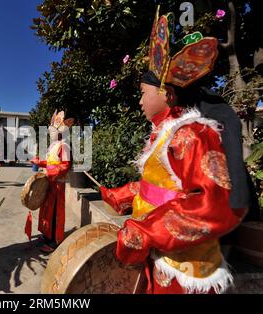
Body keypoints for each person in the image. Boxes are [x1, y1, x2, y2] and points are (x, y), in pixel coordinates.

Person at [100, 8, 251, 294]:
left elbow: (214, 204)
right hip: (160, 256)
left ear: (167, 94)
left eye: (144, 93)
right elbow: (160, 187)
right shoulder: (166, 133)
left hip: (184, 268)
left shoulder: (192, 133)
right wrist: (121, 195)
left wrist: (146, 231)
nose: (140, 101)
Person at [30, 111, 73, 253]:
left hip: (57, 185)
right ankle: (47, 235)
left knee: (55, 213)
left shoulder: (64, 145)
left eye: (54, 129)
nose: (51, 131)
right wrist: (39, 162)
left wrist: (50, 171)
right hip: (49, 183)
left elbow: (65, 166)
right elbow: (49, 162)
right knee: (46, 211)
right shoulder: (53, 145)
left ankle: (55, 241)